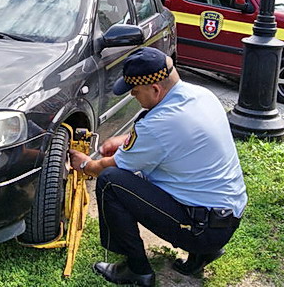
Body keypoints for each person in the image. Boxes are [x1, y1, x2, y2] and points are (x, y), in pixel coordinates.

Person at [68, 47, 247, 287]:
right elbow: (172, 137)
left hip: (202, 228)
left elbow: (108, 166)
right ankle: (202, 254)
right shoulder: (200, 95)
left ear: (155, 89)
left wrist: (85, 164)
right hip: (226, 216)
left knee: (111, 181)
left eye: (135, 90)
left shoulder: (159, 125)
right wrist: (122, 141)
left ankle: (137, 270)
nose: (132, 95)